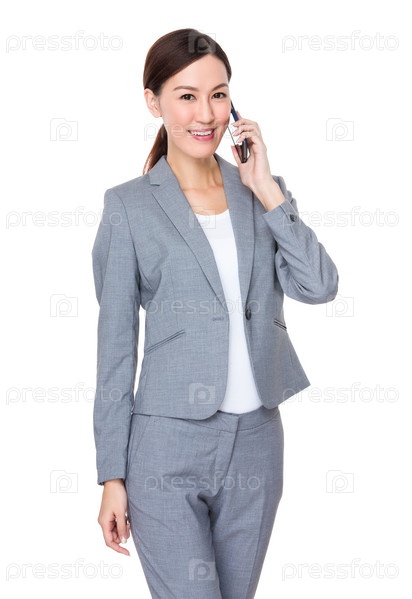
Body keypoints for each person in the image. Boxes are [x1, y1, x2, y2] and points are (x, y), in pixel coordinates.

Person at [91, 28, 339, 599]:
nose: (206, 114)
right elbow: (115, 349)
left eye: (219, 95)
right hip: (165, 447)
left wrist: (267, 188)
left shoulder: (263, 193)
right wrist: (112, 475)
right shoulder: (127, 206)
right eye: (187, 96)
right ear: (153, 102)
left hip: (258, 444)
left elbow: (320, 286)